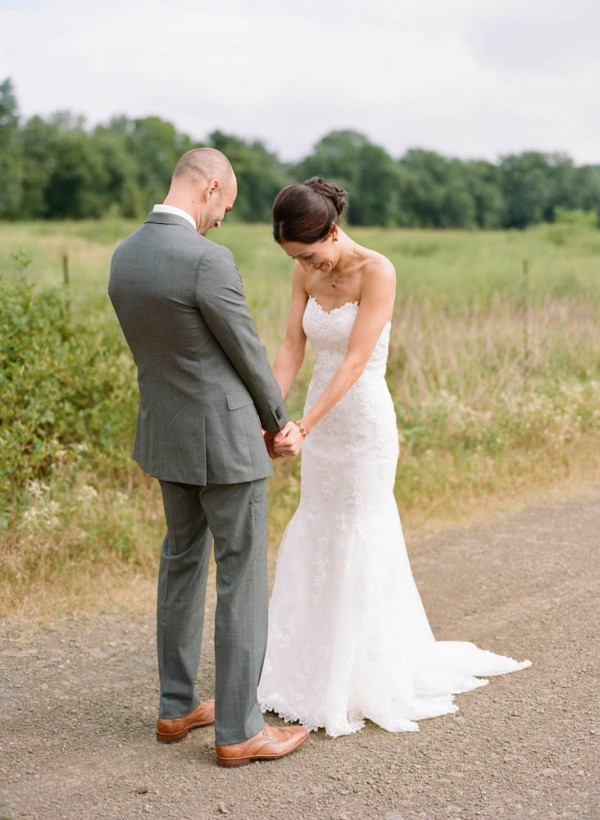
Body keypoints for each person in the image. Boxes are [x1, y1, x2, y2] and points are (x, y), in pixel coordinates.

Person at [259, 177, 531, 737]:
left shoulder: (378, 271)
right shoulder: (303, 270)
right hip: (317, 424)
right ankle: (304, 670)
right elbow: (291, 346)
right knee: (318, 526)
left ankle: (362, 675)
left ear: (333, 230)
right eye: (295, 258)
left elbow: (355, 362)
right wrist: (272, 413)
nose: (306, 266)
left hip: (359, 423)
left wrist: (305, 425)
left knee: (359, 530)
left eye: (310, 253)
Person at [108, 148, 308, 766]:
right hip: (225, 442)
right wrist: (279, 423)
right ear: (211, 186)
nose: (224, 216)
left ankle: (176, 708)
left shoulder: (124, 256)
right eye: (226, 201)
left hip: (166, 436)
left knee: (181, 563)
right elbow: (248, 352)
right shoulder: (205, 259)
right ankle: (240, 731)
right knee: (242, 573)